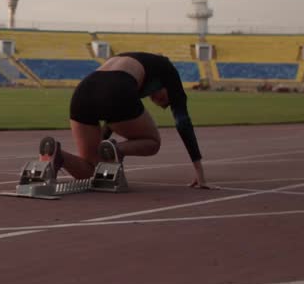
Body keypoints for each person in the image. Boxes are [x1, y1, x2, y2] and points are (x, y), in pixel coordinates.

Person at [39, 51, 208, 188]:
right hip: (116, 90)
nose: (159, 103)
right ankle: (118, 149)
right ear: (166, 85)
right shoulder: (168, 69)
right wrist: (200, 173)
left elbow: (111, 116)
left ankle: (57, 154)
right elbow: (182, 123)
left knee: (92, 170)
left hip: (83, 92)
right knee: (152, 142)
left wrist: (100, 150)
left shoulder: (130, 60)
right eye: (165, 100)